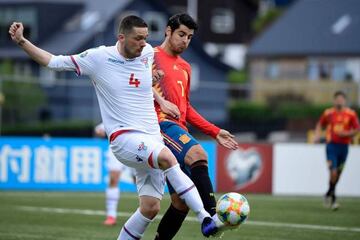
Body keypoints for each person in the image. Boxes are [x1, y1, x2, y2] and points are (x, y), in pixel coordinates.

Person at [9, 15, 218, 239]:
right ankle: (205, 217)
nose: (143, 43)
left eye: (146, 38)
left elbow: (141, 81)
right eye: (138, 38)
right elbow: (53, 61)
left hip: (151, 138)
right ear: (121, 37)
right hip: (125, 138)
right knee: (168, 158)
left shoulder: (146, 53)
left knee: (150, 208)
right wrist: (22, 41)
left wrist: (161, 100)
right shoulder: (98, 58)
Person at [152, 13, 238, 240]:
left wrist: (215, 131)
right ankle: (214, 216)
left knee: (181, 203)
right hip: (159, 126)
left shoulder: (185, 68)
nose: (185, 41)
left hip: (177, 128)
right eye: (181, 34)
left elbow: (186, 108)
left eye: (190, 37)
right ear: (168, 31)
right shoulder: (149, 56)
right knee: (198, 153)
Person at [314, 91, 360, 210]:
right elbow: (320, 124)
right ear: (334, 101)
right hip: (331, 146)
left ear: (344, 101)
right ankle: (333, 200)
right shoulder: (328, 113)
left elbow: (357, 129)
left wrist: (346, 133)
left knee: (338, 175)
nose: (339, 101)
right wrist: (317, 135)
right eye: (337, 99)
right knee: (333, 172)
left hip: (344, 148)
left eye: (341, 99)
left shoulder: (351, 114)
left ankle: (328, 193)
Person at [94, 122, 126, 226]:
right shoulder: (116, 113)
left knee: (139, 182)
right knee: (113, 179)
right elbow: (99, 130)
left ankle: (146, 212)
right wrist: (100, 132)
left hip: (139, 147)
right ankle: (111, 216)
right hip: (116, 148)